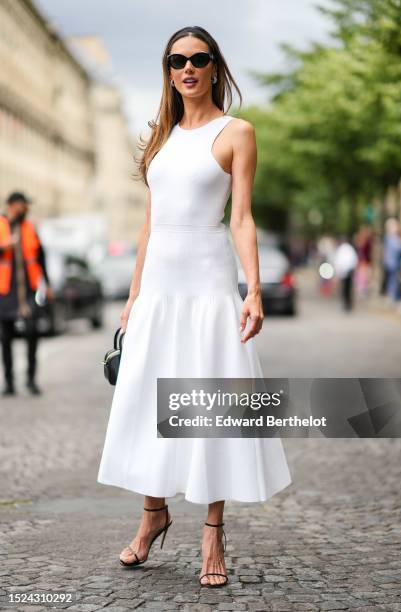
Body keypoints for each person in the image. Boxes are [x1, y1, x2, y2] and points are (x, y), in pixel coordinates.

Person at [97, 26, 292, 588]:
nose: (188, 68)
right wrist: (134, 297)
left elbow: (242, 218)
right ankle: (153, 516)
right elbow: (149, 225)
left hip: (208, 284)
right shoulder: (160, 136)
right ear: (168, 69)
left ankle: (212, 530)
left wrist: (252, 289)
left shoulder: (238, 132)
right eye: (177, 60)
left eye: (199, 58)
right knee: (152, 400)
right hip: (159, 286)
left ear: (214, 67)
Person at [0, 192, 54, 395]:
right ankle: (9, 382)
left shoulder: (30, 228)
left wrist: (46, 284)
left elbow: (41, 257)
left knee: (32, 332)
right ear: (12, 205)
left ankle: (31, 379)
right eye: (23, 205)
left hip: (28, 292)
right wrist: (5, 245)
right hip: (5, 292)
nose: (26, 209)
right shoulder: (1, 225)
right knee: (6, 338)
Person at [333, 234, 359, 311]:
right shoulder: (350, 248)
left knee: (345, 289)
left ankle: (346, 303)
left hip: (344, 272)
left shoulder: (342, 249)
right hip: (349, 271)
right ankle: (348, 303)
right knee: (348, 288)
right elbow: (354, 260)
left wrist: (337, 272)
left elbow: (338, 262)